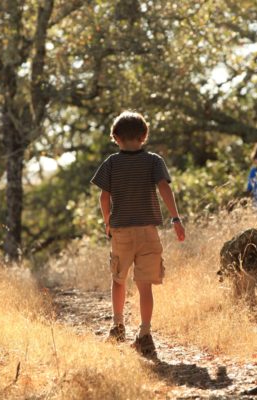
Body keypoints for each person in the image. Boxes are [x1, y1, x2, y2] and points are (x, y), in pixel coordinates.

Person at [91, 111, 185, 358]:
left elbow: (104, 196)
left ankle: (118, 326)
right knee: (145, 286)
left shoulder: (111, 163)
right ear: (144, 135)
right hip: (148, 231)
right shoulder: (154, 161)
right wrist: (176, 218)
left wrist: (107, 222)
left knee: (119, 279)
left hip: (121, 231)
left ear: (115, 137)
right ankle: (145, 334)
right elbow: (164, 188)